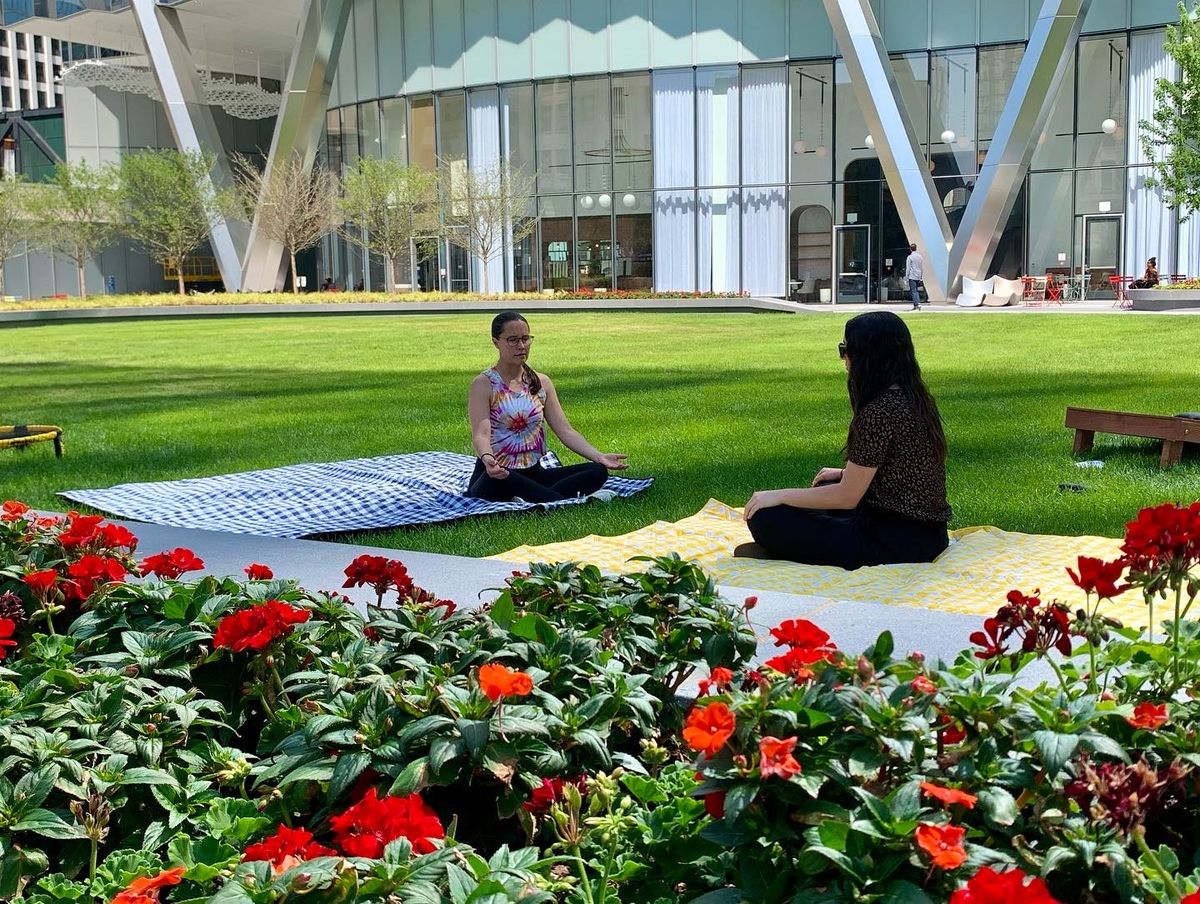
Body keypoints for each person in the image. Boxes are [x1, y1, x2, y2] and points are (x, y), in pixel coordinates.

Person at [737, 310, 952, 570]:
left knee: (766, 516)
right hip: (928, 535)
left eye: (845, 349)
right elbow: (906, 468)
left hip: (896, 542)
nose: (844, 359)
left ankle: (792, 550)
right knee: (817, 494)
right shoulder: (914, 399)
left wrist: (777, 496)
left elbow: (846, 498)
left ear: (866, 355)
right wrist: (844, 473)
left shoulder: (880, 411)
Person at [467, 311, 629, 503]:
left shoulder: (541, 382)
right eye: (512, 340)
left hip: (534, 473)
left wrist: (599, 456)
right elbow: (481, 435)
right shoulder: (484, 384)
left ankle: (531, 498)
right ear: (496, 342)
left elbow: (566, 431)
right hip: (496, 475)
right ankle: (567, 501)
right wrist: (487, 459)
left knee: (596, 471)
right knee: (503, 479)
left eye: (525, 339)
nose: (521, 346)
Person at [905, 243, 924, 310]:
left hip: (912, 276)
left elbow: (908, 268)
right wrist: (921, 276)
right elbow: (921, 268)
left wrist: (906, 277)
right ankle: (916, 304)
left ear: (910, 249)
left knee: (913, 291)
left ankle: (917, 304)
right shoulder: (920, 257)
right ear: (916, 248)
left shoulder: (909, 257)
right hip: (918, 276)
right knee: (916, 290)